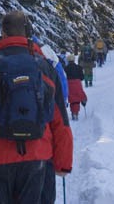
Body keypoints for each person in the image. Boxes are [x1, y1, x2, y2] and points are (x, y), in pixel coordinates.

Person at [0, 11, 73, 204]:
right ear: (28, 33)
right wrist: (63, 163)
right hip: (36, 155)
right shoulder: (44, 68)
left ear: (3, 33)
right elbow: (60, 120)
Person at [38, 43, 69, 204]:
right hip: (43, 143)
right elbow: (61, 84)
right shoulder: (47, 55)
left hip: (6, 143)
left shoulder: (1, 56)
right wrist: (63, 162)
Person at [64, 55, 87, 121]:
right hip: (77, 83)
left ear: (68, 60)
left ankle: (73, 113)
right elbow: (82, 77)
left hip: (69, 84)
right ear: (74, 60)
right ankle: (76, 113)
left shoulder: (65, 68)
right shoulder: (79, 67)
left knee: (72, 99)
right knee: (77, 99)